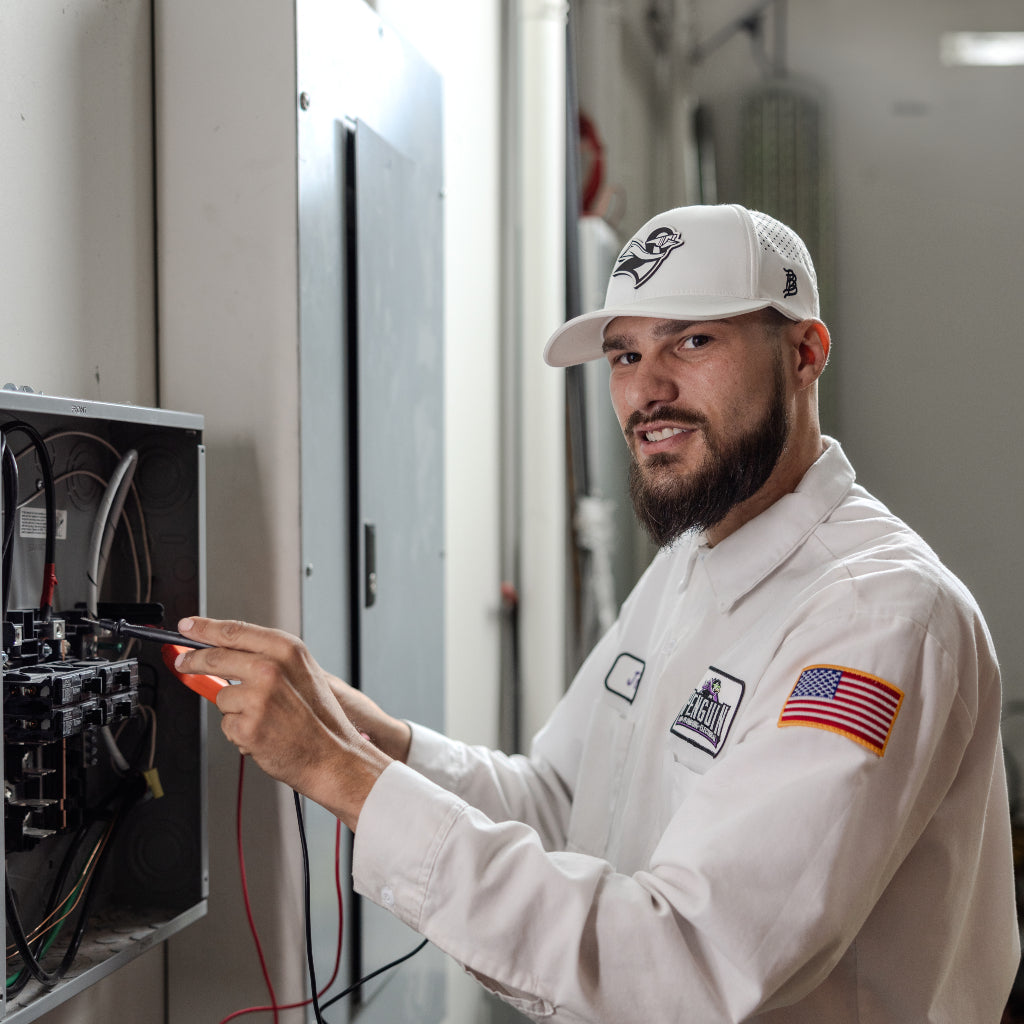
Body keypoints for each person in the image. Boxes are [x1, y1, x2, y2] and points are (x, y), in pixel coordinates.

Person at [175, 204, 1020, 1022]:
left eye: (693, 341)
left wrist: (341, 776)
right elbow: (558, 806)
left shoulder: (881, 616)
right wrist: (374, 741)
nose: (648, 391)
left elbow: (693, 962)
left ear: (805, 354)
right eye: (623, 356)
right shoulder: (689, 563)